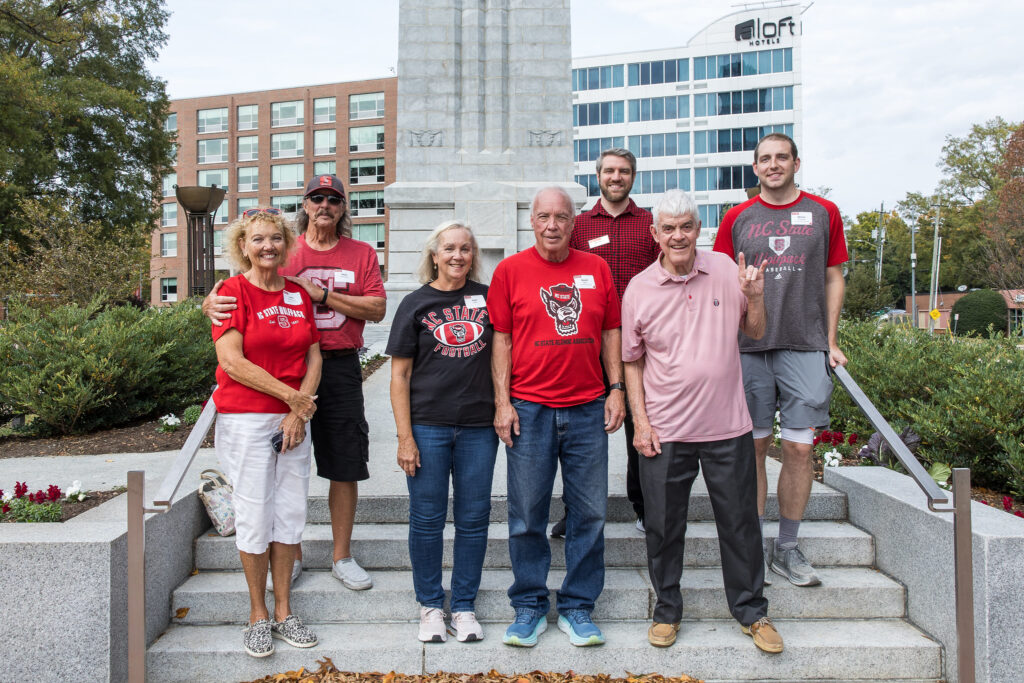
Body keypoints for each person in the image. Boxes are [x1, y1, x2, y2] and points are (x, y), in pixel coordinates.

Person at [205, 175, 386, 591]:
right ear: (304, 205)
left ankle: (342, 555)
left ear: (343, 208)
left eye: (334, 199)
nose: (325, 204)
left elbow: (377, 308)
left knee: (344, 463)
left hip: (336, 364)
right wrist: (208, 304)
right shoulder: (285, 247)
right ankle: (294, 552)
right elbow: (241, 292)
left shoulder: (360, 253)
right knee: (291, 467)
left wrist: (321, 295)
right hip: (282, 374)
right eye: (317, 198)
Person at [622, 189, 782, 654]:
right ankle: (667, 610)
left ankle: (752, 611)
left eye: (686, 226)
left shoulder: (729, 272)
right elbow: (632, 361)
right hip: (666, 431)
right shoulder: (639, 288)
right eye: (668, 227)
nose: (678, 235)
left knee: (739, 524)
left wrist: (755, 297)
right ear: (654, 234)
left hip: (727, 427)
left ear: (699, 229)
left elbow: (754, 332)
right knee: (664, 527)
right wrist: (642, 423)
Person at [488, 186, 625, 648]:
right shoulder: (509, 271)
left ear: (573, 222)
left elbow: (611, 332)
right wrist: (502, 403)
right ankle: (528, 604)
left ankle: (578, 606)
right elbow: (501, 341)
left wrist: (617, 389)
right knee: (527, 514)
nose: (552, 225)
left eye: (561, 217)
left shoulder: (596, 268)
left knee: (590, 513)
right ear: (532, 221)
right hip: (530, 409)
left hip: (587, 408)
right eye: (544, 217)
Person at [713, 133, 849, 587]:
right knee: (751, 448)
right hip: (748, 348)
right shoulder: (735, 218)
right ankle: (751, 549)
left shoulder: (823, 213)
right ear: (754, 168)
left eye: (781, 158)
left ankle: (786, 548)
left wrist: (830, 339)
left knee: (798, 448)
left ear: (796, 163)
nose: (773, 165)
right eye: (765, 159)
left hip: (804, 346)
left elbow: (833, 277)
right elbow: (718, 284)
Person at [211, 207, 322, 658]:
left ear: (287, 244)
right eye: (257, 239)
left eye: (275, 238)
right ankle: (257, 614)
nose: (267, 246)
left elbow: (315, 357)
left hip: (294, 422)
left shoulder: (298, 295)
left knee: (290, 515)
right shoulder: (230, 293)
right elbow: (232, 362)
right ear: (243, 246)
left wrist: (300, 409)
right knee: (255, 515)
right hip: (247, 419)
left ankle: (284, 611)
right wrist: (291, 398)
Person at [386, 220, 498, 644]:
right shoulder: (416, 303)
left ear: (474, 255)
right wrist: (404, 437)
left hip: (478, 429)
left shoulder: (488, 301)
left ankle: (464, 606)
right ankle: (431, 605)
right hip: (427, 427)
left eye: (466, 248)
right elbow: (399, 376)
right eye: (449, 248)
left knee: (473, 520)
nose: (457, 255)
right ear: (434, 254)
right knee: (428, 520)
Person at [565, 148, 659, 536]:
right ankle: (577, 513)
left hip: (644, 347)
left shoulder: (652, 223)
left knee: (643, 427)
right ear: (598, 176)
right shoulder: (580, 225)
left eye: (623, 171)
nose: (615, 177)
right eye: (608, 171)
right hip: (591, 347)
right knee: (582, 437)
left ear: (633, 176)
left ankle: (646, 509)